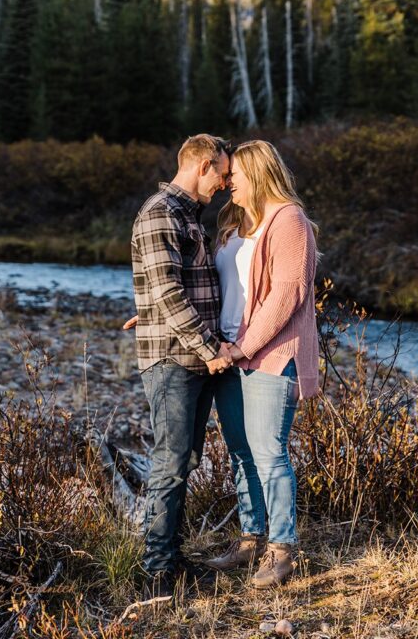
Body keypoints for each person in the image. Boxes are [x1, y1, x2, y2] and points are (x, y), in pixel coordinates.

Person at [207, 140, 319, 588]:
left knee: (270, 453)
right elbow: (212, 284)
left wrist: (243, 346)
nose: (226, 181)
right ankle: (251, 538)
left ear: (257, 174)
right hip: (227, 353)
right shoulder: (234, 222)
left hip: (270, 355)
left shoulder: (289, 220)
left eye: (234, 175)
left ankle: (281, 550)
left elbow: (287, 294)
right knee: (240, 452)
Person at [129, 134, 233, 596]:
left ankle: (171, 556)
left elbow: (172, 287)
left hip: (190, 357)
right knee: (170, 464)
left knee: (184, 461)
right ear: (204, 165)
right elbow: (170, 295)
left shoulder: (188, 215)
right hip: (175, 360)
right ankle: (157, 571)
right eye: (224, 174)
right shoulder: (159, 214)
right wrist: (212, 350)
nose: (227, 185)